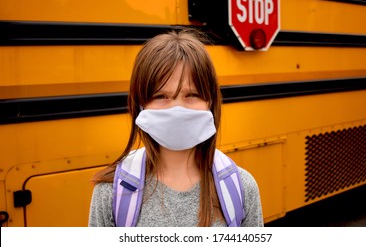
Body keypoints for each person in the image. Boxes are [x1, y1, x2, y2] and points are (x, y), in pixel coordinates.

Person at [88, 29, 263, 227]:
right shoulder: (111, 193)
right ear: (140, 105)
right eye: (161, 96)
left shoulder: (241, 188)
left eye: (192, 95)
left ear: (210, 102)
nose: (177, 109)